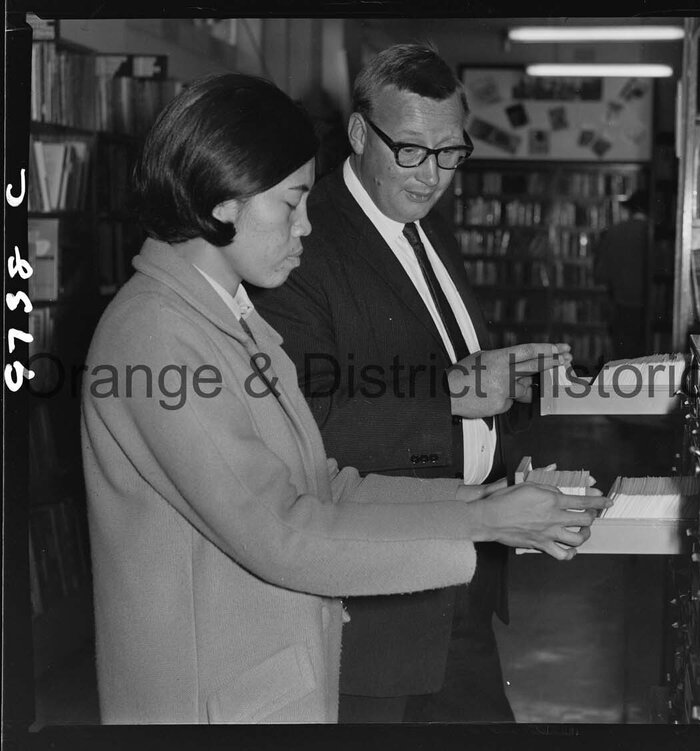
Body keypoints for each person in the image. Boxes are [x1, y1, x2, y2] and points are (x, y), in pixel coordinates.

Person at [80, 73, 610, 724]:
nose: (307, 226)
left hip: (267, 685)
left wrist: (483, 501)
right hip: (214, 704)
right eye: (291, 203)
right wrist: (487, 524)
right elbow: (282, 531)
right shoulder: (156, 336)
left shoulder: (230, 316)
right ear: (224, 202)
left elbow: (323, 484)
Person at [250, 44, 565, 723]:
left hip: (460, 575)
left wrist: (510, 406)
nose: (434, 175)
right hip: (377, 613)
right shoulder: (302, 241)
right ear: (361, 133)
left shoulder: (424, 221)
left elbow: (447, 364)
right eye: (412, 151)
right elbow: (303, 420)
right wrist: (453, 392)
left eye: (451, 153)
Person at [594, 189, 650, 360]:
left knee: (623, 361)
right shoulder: (653, 233)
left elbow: (600, 274)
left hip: (620, 307)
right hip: (651, 310)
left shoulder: (614, 232)